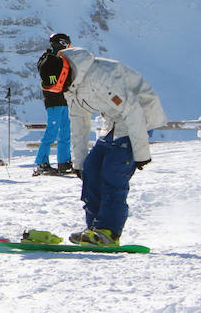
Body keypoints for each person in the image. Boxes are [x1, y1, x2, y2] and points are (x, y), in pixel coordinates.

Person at [57, 47, 166, 246]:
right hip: (113, 122)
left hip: (139, 119)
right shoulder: (69, 86)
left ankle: (109, 232)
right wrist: (79, 163)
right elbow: (79, 123)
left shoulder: (98, 76)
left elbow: (133, 109)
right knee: (92, 169)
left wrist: (141, 152)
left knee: (113, 173)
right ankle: (93, 230)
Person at [34, 33, 73, 175]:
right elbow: (46, 76)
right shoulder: (49, 58)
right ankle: (41, 162)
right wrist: (54, 81)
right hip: (54, 101)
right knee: (52, 132)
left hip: (63, 100)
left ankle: (64, 162)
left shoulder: (62, 59)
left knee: (65, 132)